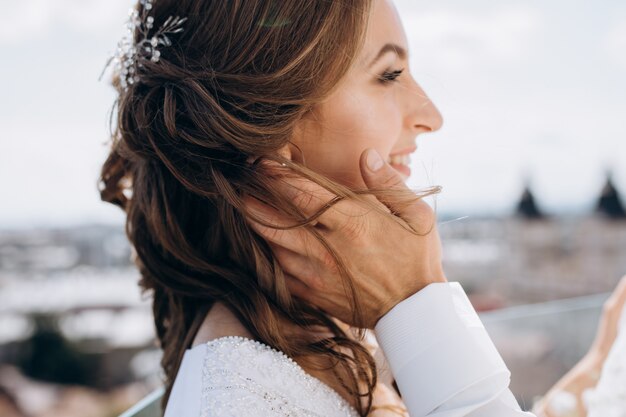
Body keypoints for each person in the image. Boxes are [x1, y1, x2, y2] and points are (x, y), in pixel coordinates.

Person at [98, 0, 624, 416]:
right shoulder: (243, 399)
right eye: (388, 75)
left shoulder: (331, 336)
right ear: (271, 133)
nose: (431, 115)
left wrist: (581, 390)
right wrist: (418, 302)